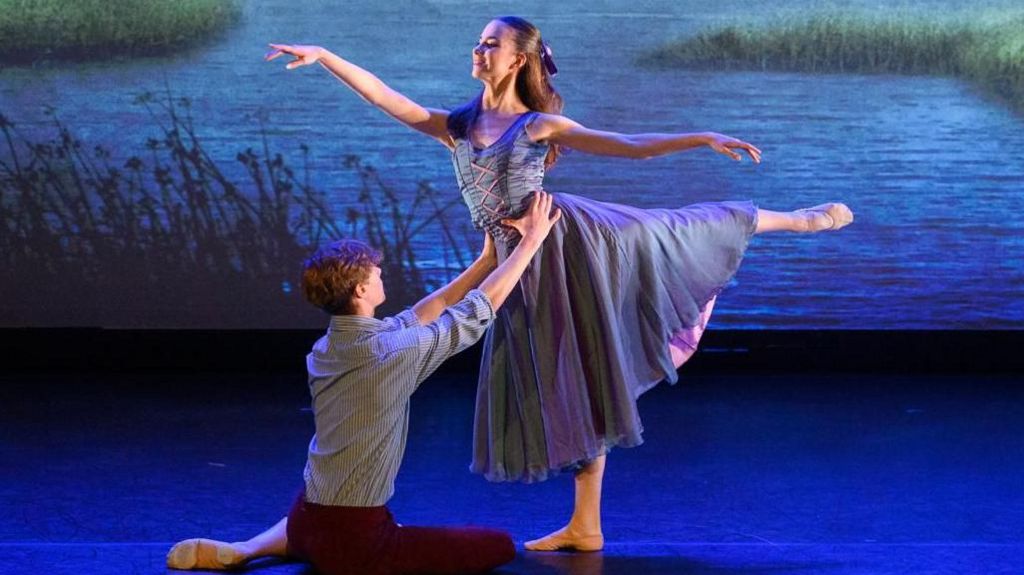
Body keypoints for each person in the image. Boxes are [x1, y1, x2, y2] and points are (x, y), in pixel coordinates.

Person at [265, 15, 853, 552]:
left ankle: (793, 218)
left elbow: (627, 148)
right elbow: (389, 99)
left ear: (518, 59)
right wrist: (328, 55)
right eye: (479, 41)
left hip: (566, 247)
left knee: (672, 232)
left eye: (490, 43)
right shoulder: (460, 127)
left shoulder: (537, 126)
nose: (479, 48)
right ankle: (586, 524)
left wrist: (700, 137)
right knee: (565, 384)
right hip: (513, 262)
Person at [167, 193, 563, 574]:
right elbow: (475, 312)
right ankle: (271, 548)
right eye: (376, 274)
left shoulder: (328, 347)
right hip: (355, 542)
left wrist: (484, 262)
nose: (381, 277)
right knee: (497, 545)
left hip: (305, 515)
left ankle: (247, 548)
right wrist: (531, 242)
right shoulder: (389, 352)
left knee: (314, 531)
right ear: (360, 291)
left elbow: (423, 313)